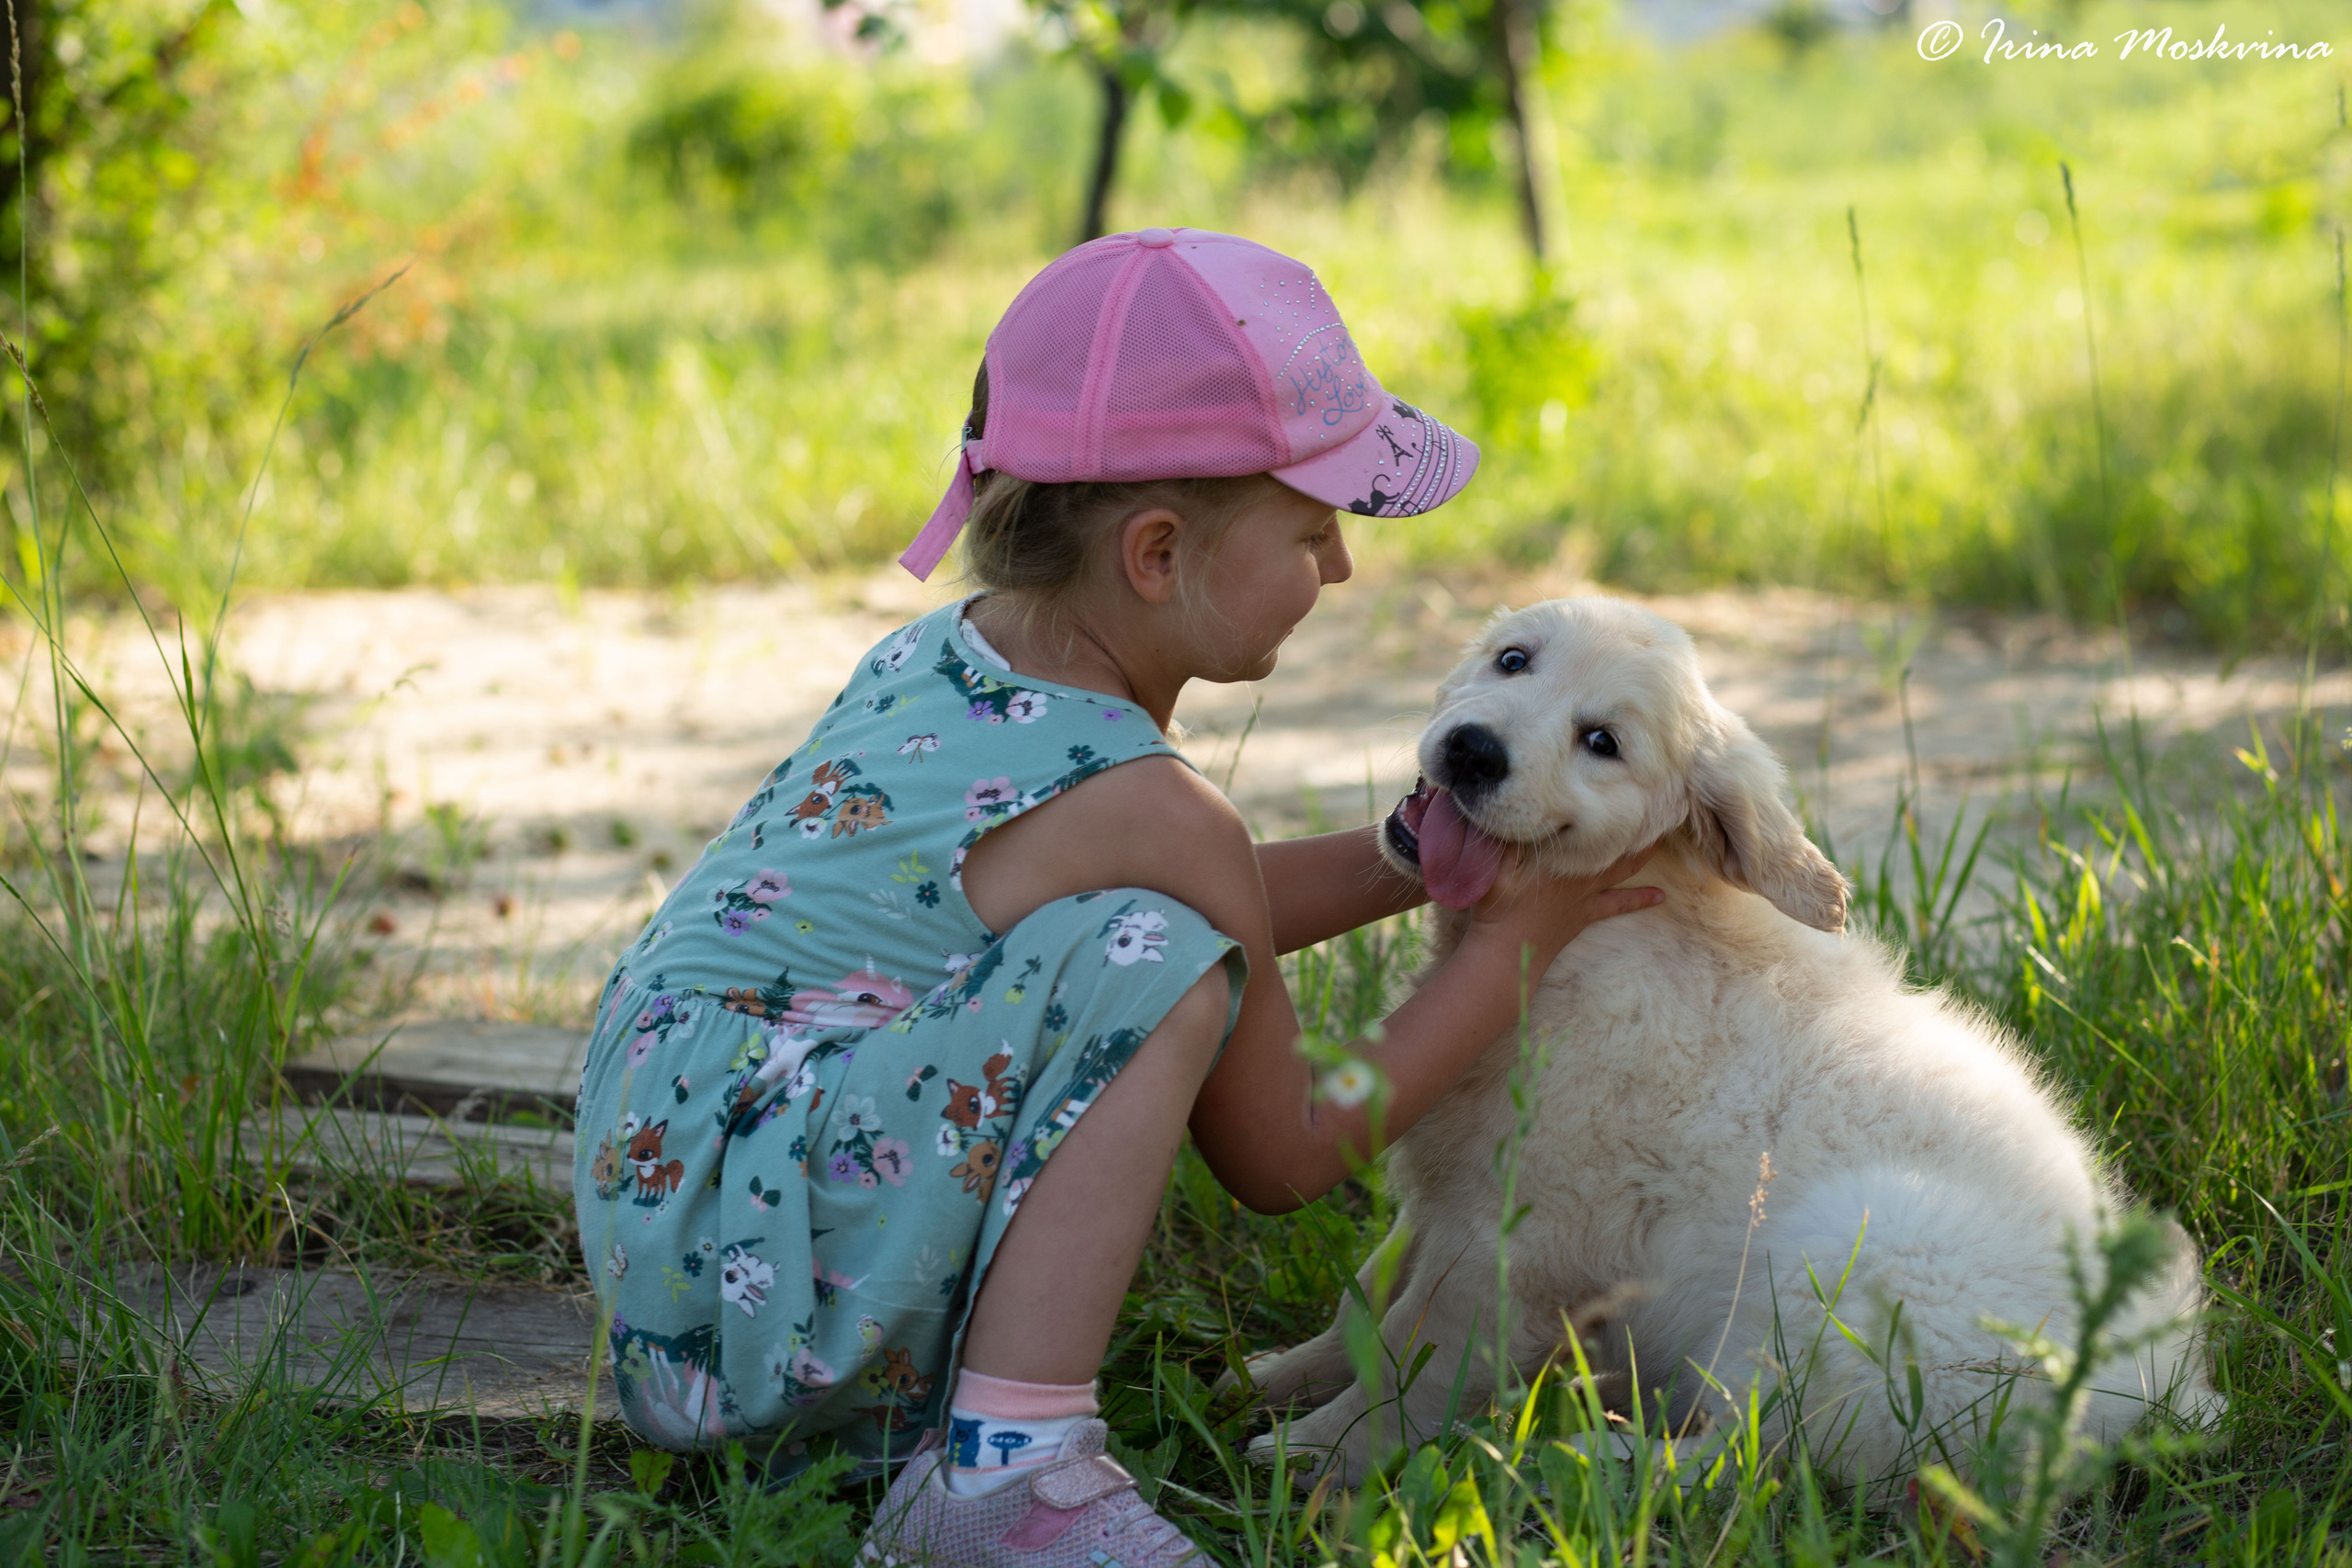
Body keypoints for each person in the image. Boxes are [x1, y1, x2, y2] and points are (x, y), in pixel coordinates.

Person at [571, 226, 1660, 1567]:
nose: (1340, 569)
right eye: (1314, 529)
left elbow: (1149, 881)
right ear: (1157, 555)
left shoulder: (941, 657)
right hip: (769, 1267)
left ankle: (924, 1440)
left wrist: (1416, 854)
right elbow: (1285, 1155)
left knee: (1148, 931)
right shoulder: (1155, 810)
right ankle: (1007, 1479)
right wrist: (1514, 948)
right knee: (1163, 957)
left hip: (678, 1201)